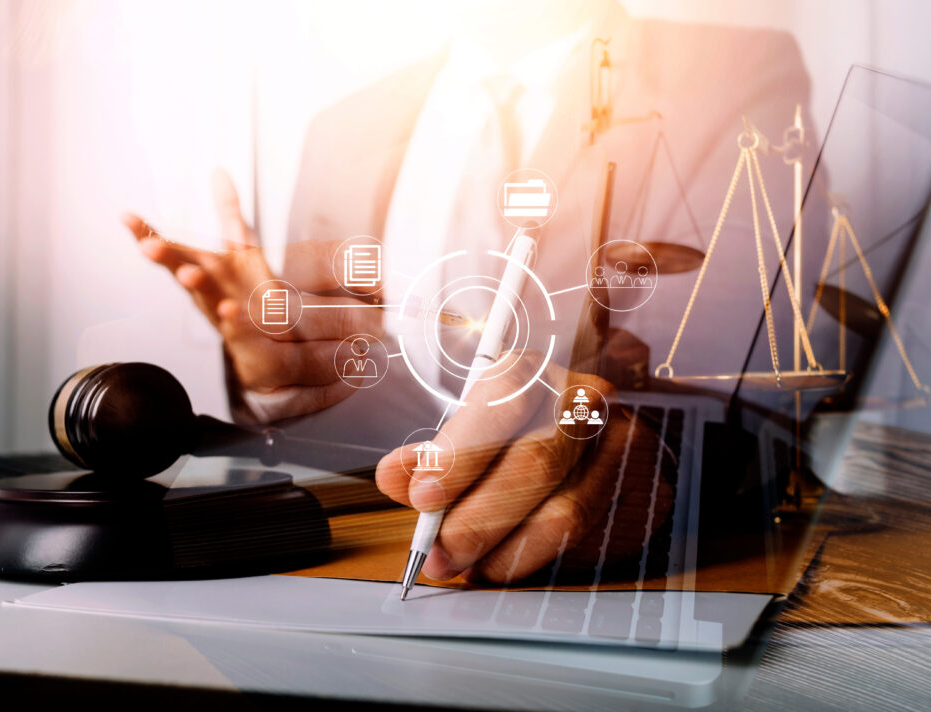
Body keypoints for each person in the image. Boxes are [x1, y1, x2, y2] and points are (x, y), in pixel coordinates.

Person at [126, 0, 812, 584]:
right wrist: (282, 379)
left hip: (619, 573)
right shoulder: (344, 128)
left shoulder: (730, 76)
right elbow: (351, 390)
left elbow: (747, 371)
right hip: (378, 556)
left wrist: (641, 457)